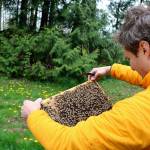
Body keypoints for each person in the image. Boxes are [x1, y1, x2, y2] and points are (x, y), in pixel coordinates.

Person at [21, 5, 150, 150]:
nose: (131, 66)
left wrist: (33, 116)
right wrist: (110, 69)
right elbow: (144, 77)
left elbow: (70, 144)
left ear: (144, 49)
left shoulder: (140, 113)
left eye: (129, 58)